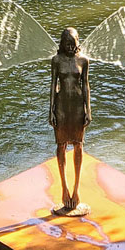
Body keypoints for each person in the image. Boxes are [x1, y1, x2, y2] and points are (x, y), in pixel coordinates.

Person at [49, 27, 91, 211]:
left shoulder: (83, 60)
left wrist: (88, 110)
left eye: (73, 44)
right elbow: (52, 85)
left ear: (77, 43)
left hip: (77, 108)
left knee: (79, 145)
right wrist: (50, 110)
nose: (71, 48)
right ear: (62, 44)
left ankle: (76, 188)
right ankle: (64, 188)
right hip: (61, 107)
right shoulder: (56, 61)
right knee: (61, 145)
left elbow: (86, 86)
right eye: (67, 44)